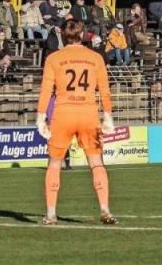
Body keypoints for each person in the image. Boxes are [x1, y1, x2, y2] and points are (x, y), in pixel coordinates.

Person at [35, 19, 117, 226]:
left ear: (63, 35)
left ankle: (51, 214)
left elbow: (46, 90)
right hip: (88, 112)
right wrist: (108, 116)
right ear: (82, 35)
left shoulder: (54, 58)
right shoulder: (95, 58)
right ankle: (105, 209)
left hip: (63, 113)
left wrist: (40, 117)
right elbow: (105, 89)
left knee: (54, 164)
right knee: (97, 163)